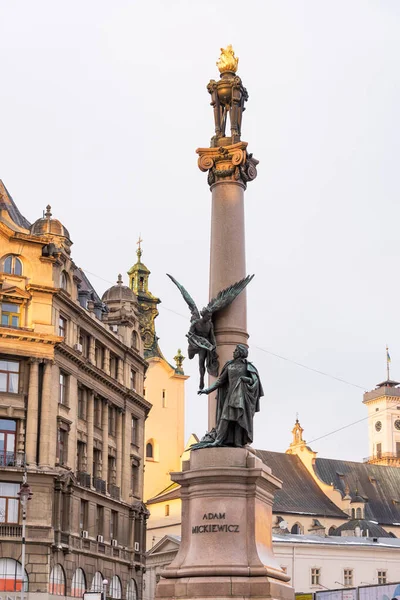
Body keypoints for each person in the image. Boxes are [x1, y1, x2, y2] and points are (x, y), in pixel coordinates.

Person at [197, 344, 263, 447]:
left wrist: (246, 379)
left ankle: (237, 442)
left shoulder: (248, 367)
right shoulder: (229, 365)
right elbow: (220, 381)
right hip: (230, 396)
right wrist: (207, 390)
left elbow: (255, 382)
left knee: (239, 420)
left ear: (241, 353)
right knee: (224, 418)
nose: (233, 352)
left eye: (236, 350)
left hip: (241, 397)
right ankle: (218, 440)